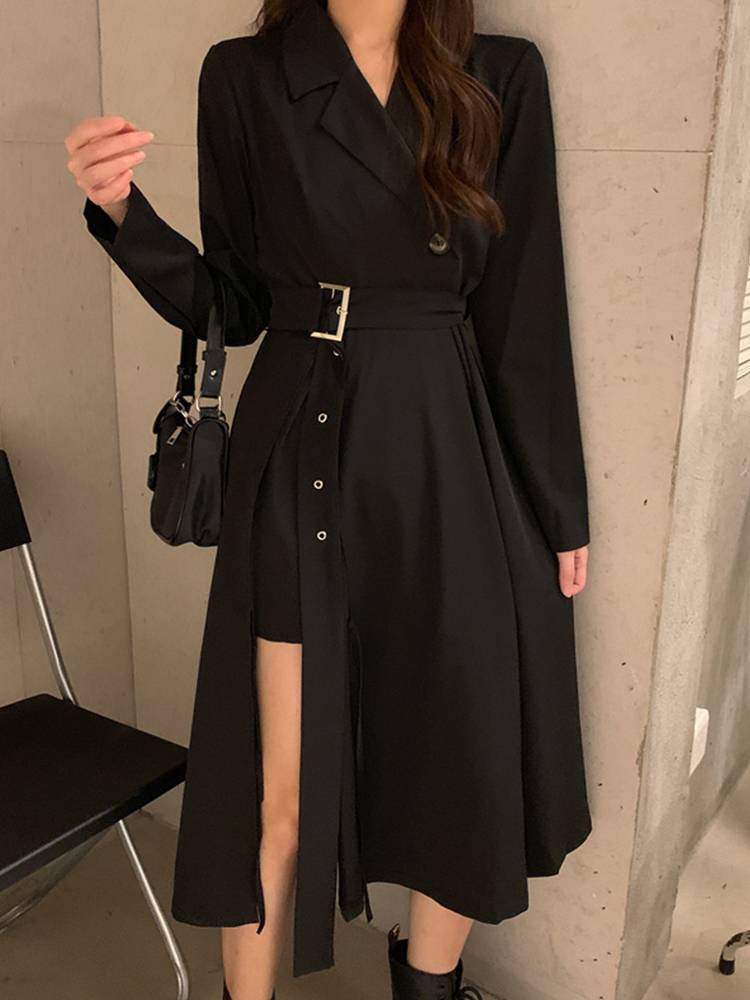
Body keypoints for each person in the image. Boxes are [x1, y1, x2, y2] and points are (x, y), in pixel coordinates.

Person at [64, 1, 592, 998]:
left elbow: (524, 312)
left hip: (449, 454)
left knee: (457, 762)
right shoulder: (245, 77)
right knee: (279, 790)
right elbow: (234, 304)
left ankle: (428, 987)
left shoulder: (498, 75)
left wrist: (556, 506)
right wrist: (125, 215)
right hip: (299, 445)